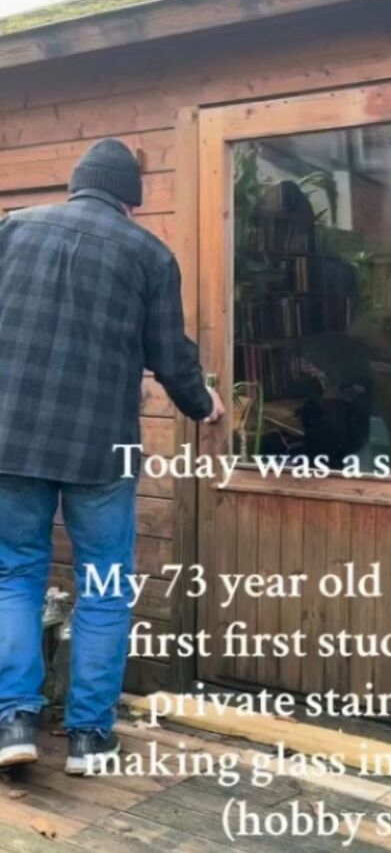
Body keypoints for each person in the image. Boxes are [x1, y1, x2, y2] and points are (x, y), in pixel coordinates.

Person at [0, 139, 225, 774]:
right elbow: (169, 351)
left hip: (11, 439)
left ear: (76, 186)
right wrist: (201, 400)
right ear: (131, 200)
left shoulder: (12, 230)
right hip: (102, 446)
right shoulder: (148, 253)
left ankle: (14, 719)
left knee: (15, 575)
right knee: (103, 587)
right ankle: (90, 739)